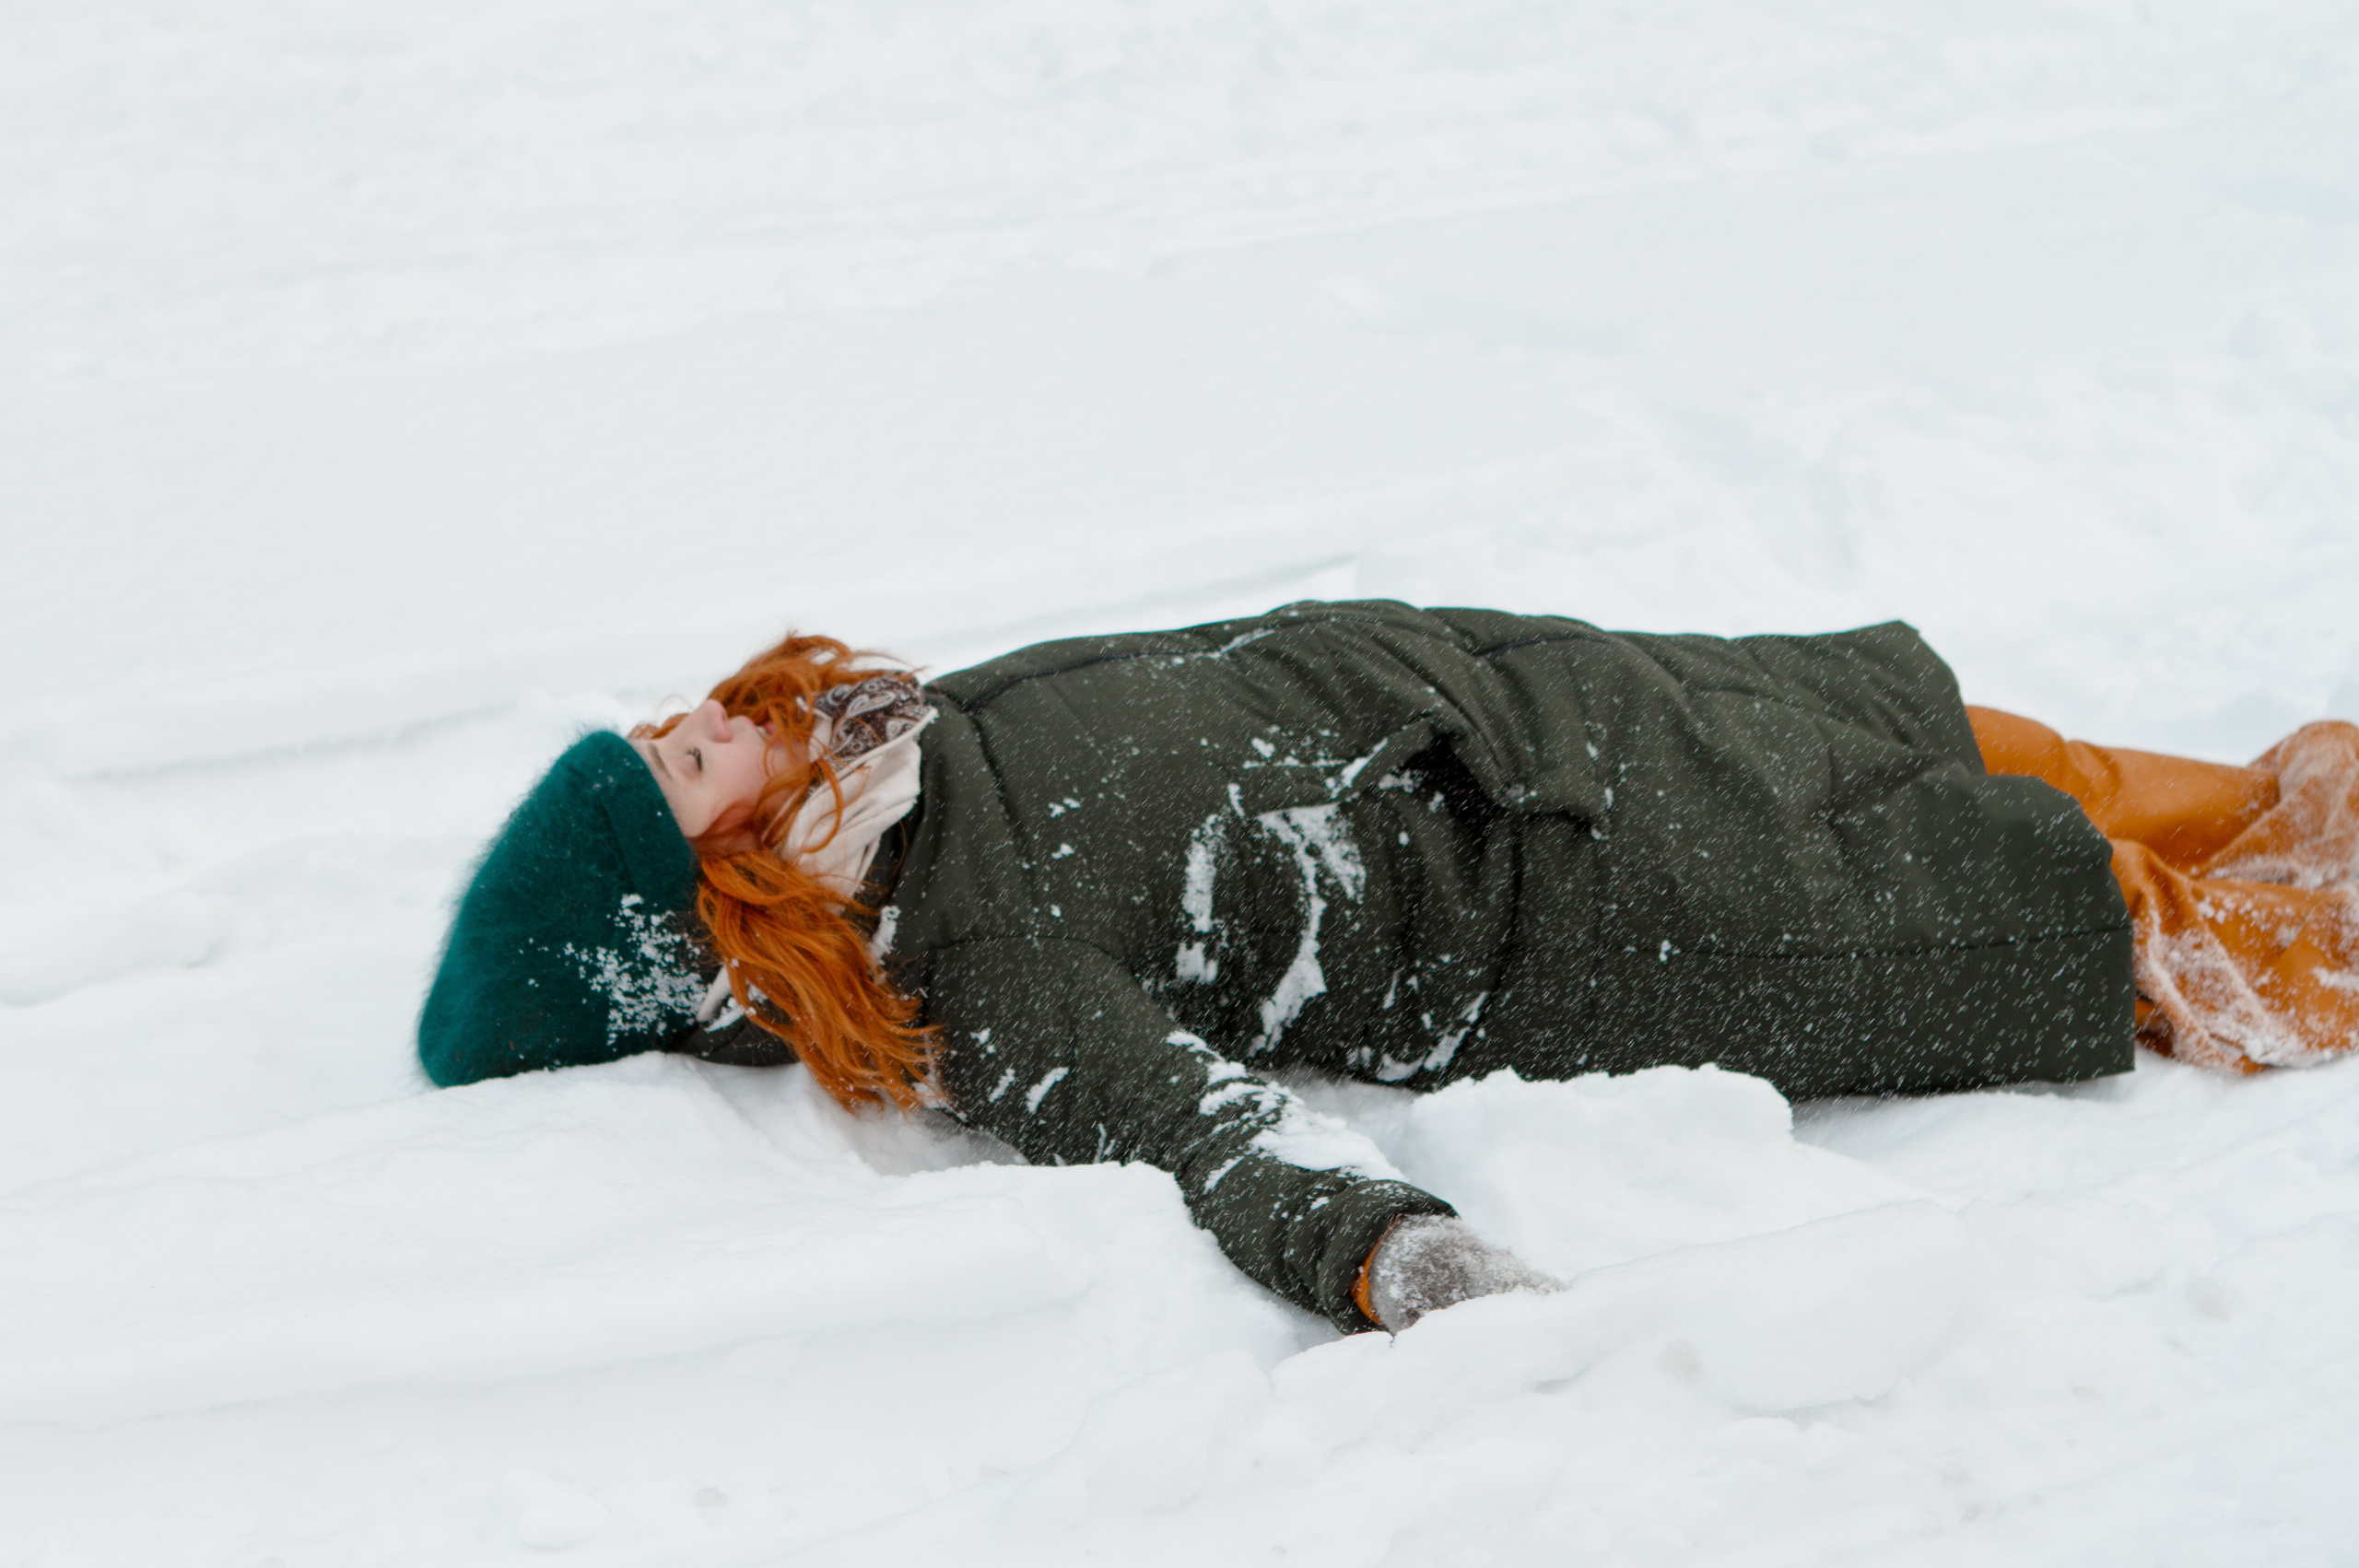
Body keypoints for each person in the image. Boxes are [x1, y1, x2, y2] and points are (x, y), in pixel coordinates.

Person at [417, 601, 2359, 1332]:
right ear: (730, 885)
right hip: (1608, 889)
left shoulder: (896, 742)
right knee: (2114, 914)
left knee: (2037, 759)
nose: (708, 715)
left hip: (1575, 703)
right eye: (685, 760)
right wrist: (1378, 1248)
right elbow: (1190, 1129)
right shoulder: (971, 969)